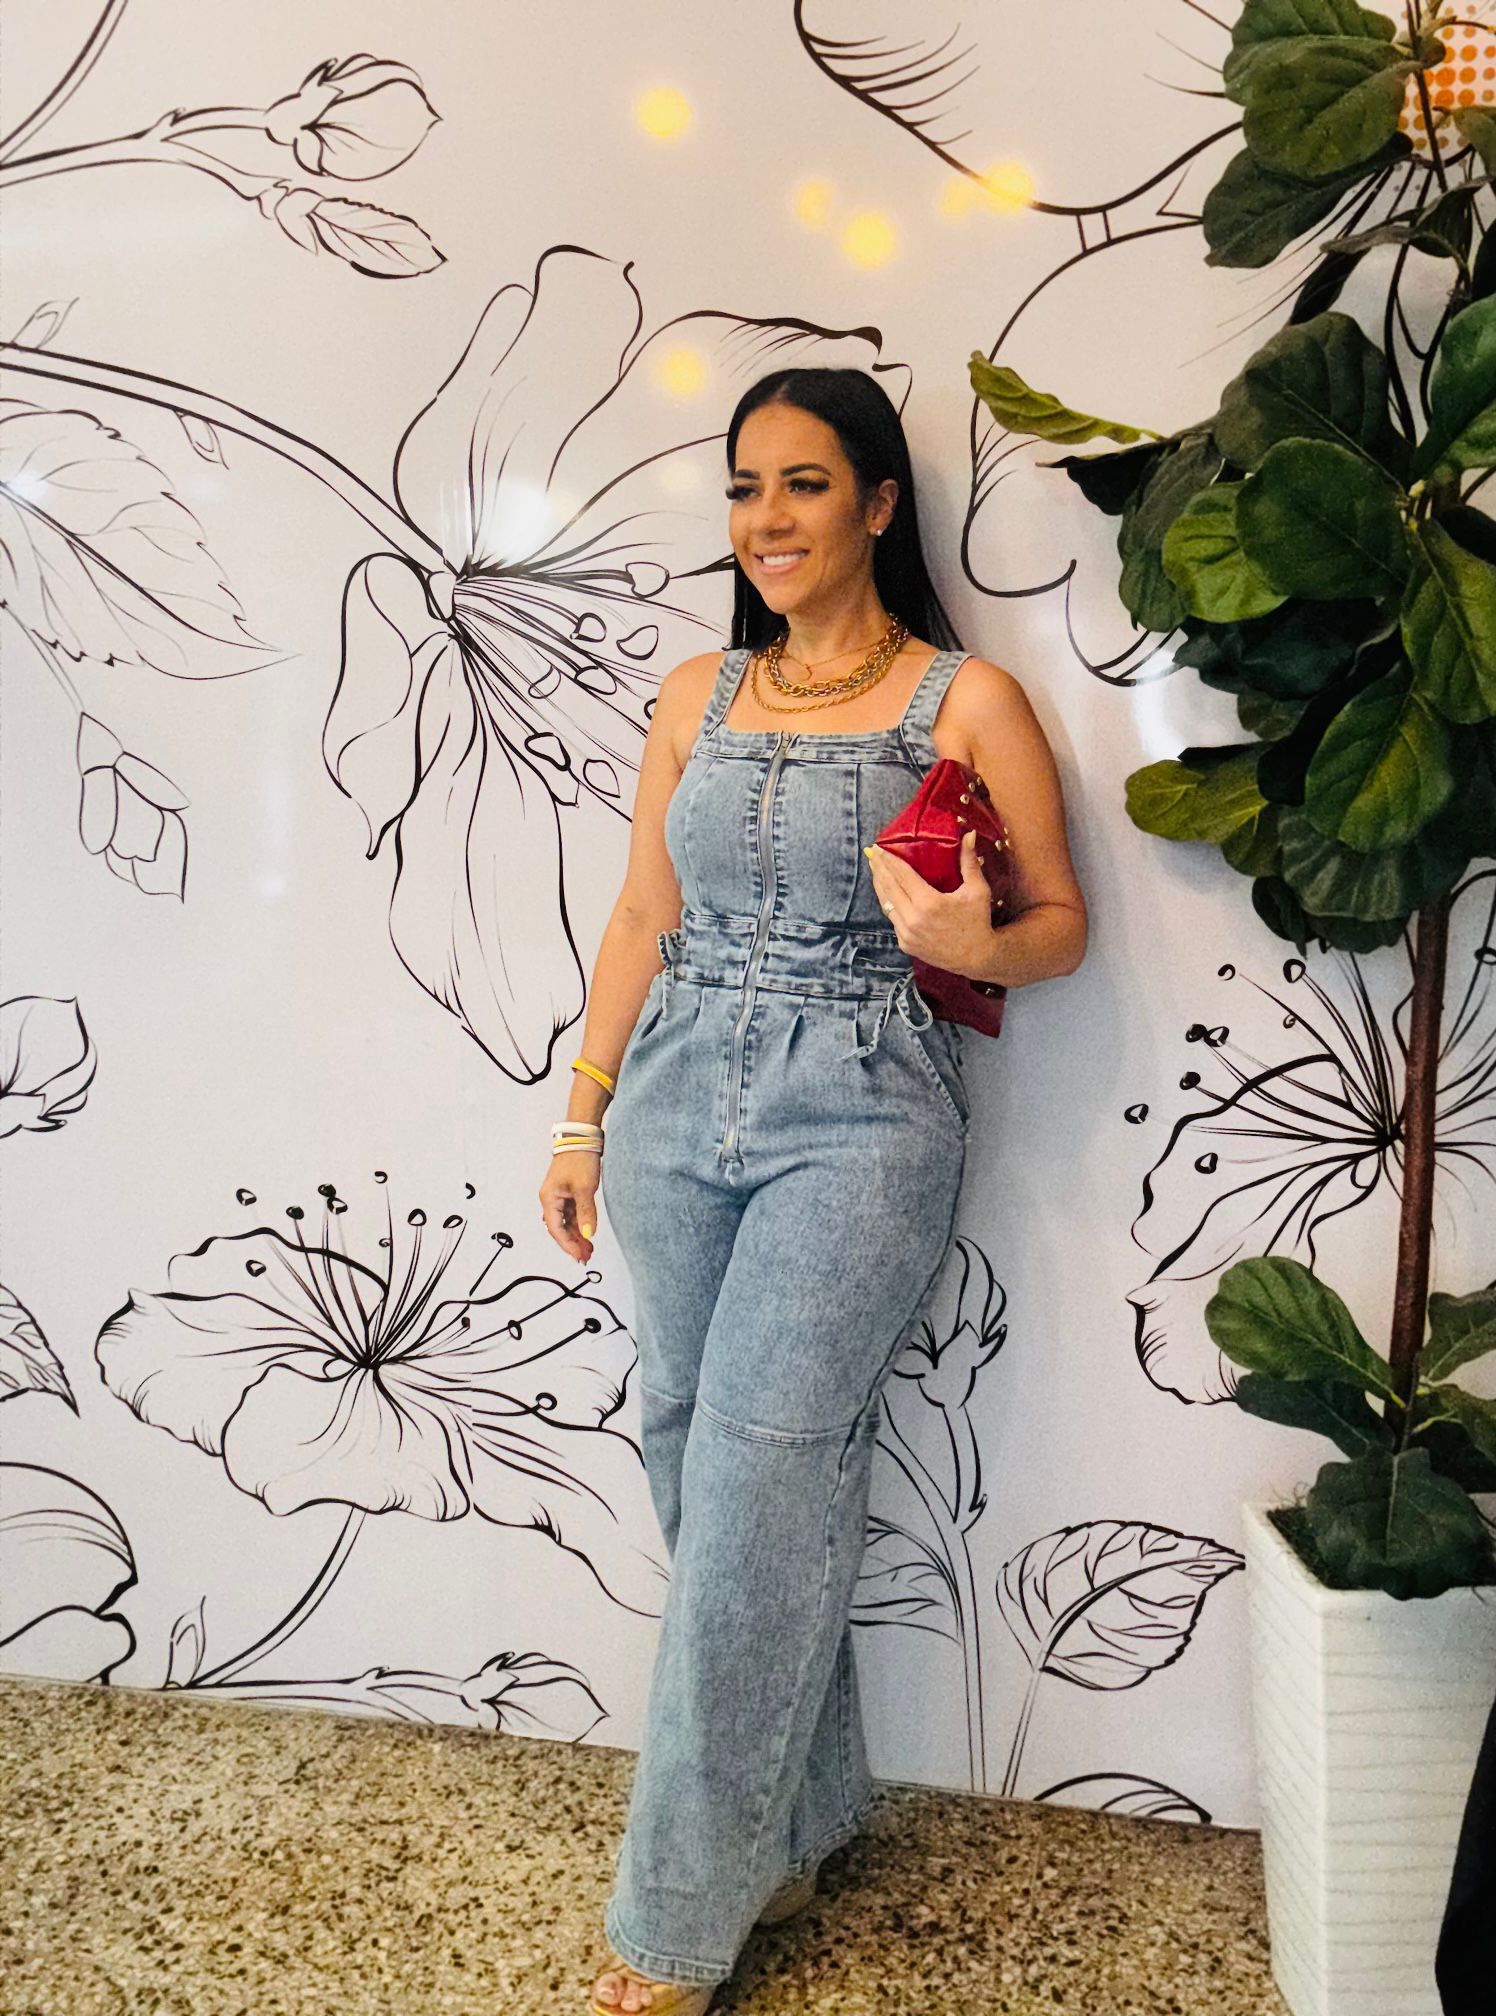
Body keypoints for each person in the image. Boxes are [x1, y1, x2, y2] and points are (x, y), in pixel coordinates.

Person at [537, 366, 1089, 2015]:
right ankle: (799, 1825)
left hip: (861, 1109)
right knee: (694, 1455)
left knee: (765, 1474)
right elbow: (643, 917)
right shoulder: (694, 695)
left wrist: (975, 940)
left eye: (801, 483)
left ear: (877, 503)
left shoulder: (965, 699)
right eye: (742, 487)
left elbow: (1058, 926)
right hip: (674, 1097)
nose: (764, 519)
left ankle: (674, 1922)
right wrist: (581, 1116)